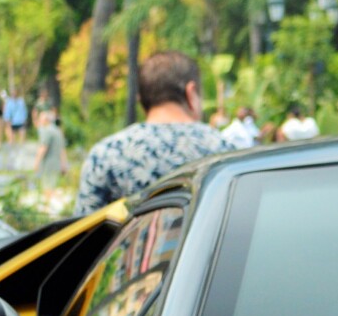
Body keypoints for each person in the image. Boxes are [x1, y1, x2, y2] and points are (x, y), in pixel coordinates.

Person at [75, 50, 228, 211]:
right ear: (191, 92)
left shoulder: (106, 154)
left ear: (141, 99)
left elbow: (85, 229)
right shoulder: (223, 149)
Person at [32, 106, 70, 202]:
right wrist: (64, 164)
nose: (39, 122)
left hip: (48, 164)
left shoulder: (47, 131)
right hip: (57, 164)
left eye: (40, 119)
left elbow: (43, 148)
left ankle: (48, 207)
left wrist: (36, 163)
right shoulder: (57, 131)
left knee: (47, 188)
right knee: (53, 187)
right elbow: (62, 149)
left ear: (46, 120)